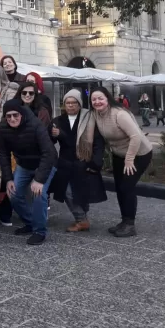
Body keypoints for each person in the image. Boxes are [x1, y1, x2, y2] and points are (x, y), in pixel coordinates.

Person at [80, 87, 153, 238]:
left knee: (127, 186)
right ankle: (124, 221)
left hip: (138, 153)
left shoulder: (119, 114)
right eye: (94, 99)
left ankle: (130, 224)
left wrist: (129, 160)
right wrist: (85, 155)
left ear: (107, 98)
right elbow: (89, 136)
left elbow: (136, 136)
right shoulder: (95, 114)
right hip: (119, 154)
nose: (97, 102)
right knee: (119, 188)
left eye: (100, 98)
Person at [0, 99, 58, 245]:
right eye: (9, 116)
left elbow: (48, 153)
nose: (12, 119)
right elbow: (3, 153)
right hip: (23, 165)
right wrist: (8, 179)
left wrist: (39, 180)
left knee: (38, 194)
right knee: (13, 193)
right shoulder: (3, 128)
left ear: (22, 114)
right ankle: (31, 222)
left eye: (15, 115)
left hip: (44, 163)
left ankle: (40, 231)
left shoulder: (36, 125)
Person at [50, 89, 107, 232]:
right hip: (65, 163)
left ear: (79, 104)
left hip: (83, 161)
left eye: (74, 102)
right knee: (68, 193)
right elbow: (50, 141)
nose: (70, 105)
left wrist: (96, 162)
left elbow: (98, 142)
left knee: (82, 193)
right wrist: (53, 135)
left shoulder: (89, 118)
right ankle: (81, 219)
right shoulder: (58, 121)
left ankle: (82, 218)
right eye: (67, 103)